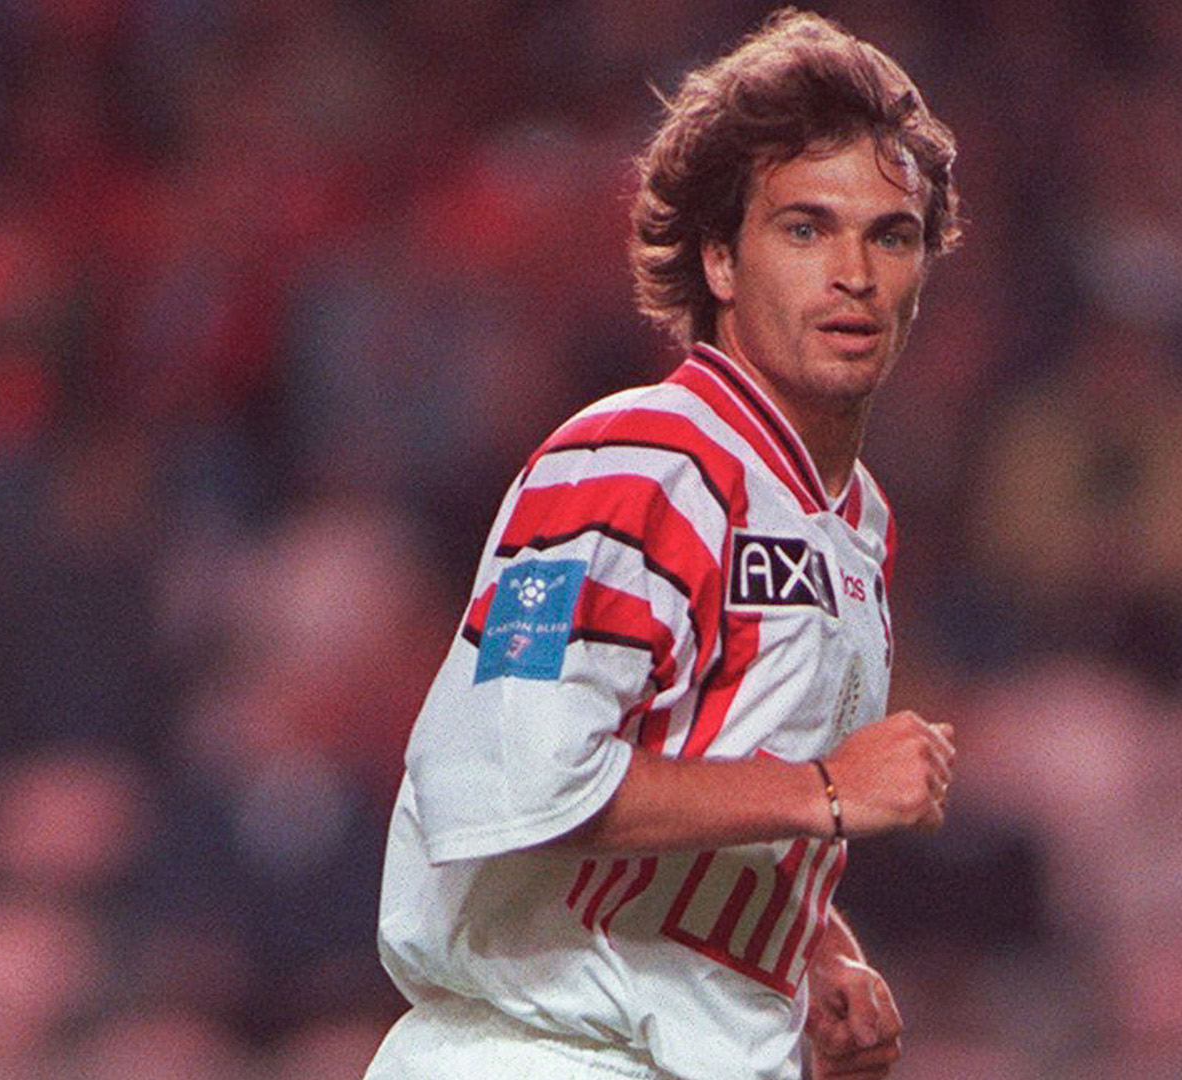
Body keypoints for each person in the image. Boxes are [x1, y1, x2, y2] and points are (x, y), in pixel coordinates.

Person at [366, 10, 961, 1080]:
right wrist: (825, 790)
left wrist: (806, 949)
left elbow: (704, 763)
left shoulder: (856, 521)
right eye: (805, 229)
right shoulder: (630, 460)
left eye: (891, 235)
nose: (854, 274)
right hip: (540, 1055)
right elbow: (512, 774)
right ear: (720, 260)